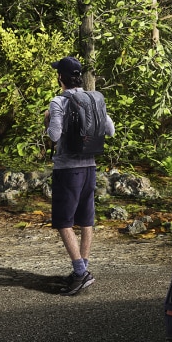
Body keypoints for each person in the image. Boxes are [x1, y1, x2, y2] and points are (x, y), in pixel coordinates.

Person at [45, 56, 114, 295]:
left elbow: (54, 135)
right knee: (86, 219)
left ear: (60, 77)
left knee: (64, 222)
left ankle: (79, 272)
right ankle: (82, 270)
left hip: (67, 169)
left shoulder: (58, 101)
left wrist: (47, 121)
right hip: (90, 168)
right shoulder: (94, 98)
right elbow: (110, 130)